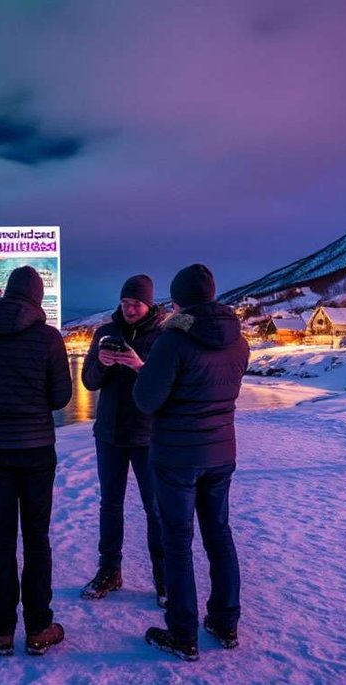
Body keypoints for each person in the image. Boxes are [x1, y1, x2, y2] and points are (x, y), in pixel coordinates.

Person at [133, 264, 249, 662]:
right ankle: (225, 620)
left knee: (178, 542)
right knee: (219, 535)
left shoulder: (173, 340)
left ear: (179, 299)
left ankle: (182, 633)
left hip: (177, 457)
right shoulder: (238, 340)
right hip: (221, 452)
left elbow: (146, 400)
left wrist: (143, 374)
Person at [0, 265, 73, 657]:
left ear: (5, 293)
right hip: (38, 450)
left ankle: (2, 628)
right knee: (37, 537)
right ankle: (39, 627)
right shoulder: (48, 338)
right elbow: (60, 399)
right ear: (38, 298)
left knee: (2, 537)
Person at [80, 275, 166, 606]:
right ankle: (109, 571)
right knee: (110, 506)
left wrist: (139, 366)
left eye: (136, 304)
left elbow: (165, 388)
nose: (129, 309)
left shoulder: (163, 336)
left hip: (148, 436)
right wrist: (101, 365)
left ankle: (163, 578)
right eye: (125, 303)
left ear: (149, 304)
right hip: (110, 434)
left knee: (155, 509)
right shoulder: (104, 333)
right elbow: (88, 382)